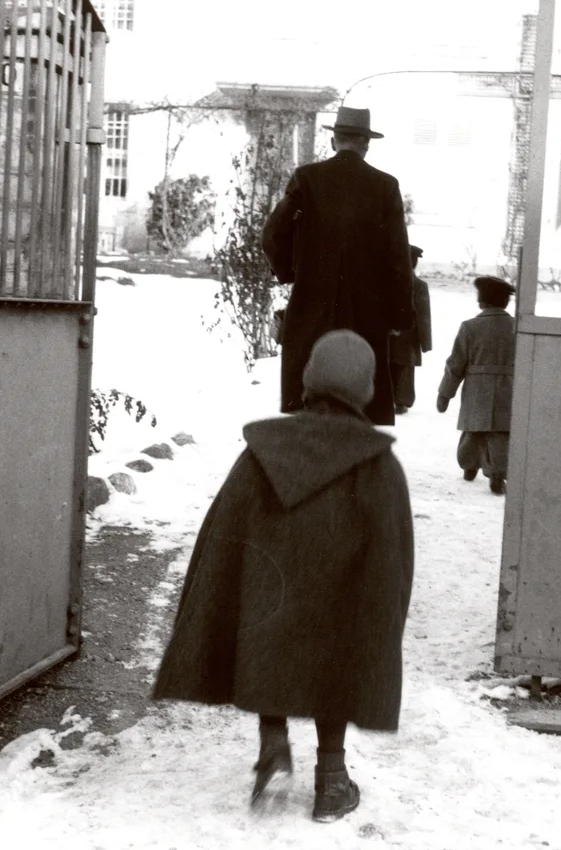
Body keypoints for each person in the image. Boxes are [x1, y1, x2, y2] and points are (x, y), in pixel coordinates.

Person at [152, 330, 415, 822]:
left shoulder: (262, 452)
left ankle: (273, 748)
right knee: (336, 655)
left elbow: (222, 538)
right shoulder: (379, 467)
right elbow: (396, 559)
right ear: (366, 389)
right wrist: (385, 618)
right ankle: (332, 782)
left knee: (268, 639)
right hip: (338, 606)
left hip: (267, 605)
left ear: (309, 378)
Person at [261, 106, 415, 426]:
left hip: (311, 311)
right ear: (366, 144)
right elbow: (399, 257)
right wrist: (400, 314)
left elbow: (273, 233)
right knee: (360, 409)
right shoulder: (385, 186)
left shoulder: (307, 179)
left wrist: (290, 273)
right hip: (366, 318)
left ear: (334, 141)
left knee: (307, 404)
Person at [436, 275, 516, 495]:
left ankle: (469, 466)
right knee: (501, 433)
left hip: (476, 388)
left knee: (473, 430)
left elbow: (456, 364)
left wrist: (445, 393)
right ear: (505, 302)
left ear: (481, 302)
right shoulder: (516, 327)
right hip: (507, 388)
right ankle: (498, 475)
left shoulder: (470, 327)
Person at [389, 245, 433, 414]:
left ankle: (388, 399)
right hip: (409, 336)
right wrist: (425, 342)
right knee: (405, 368)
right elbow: (423, 315)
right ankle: (401, 402)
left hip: (388, 335)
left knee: (388, 365)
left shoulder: (387, 282)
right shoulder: (420, 285)